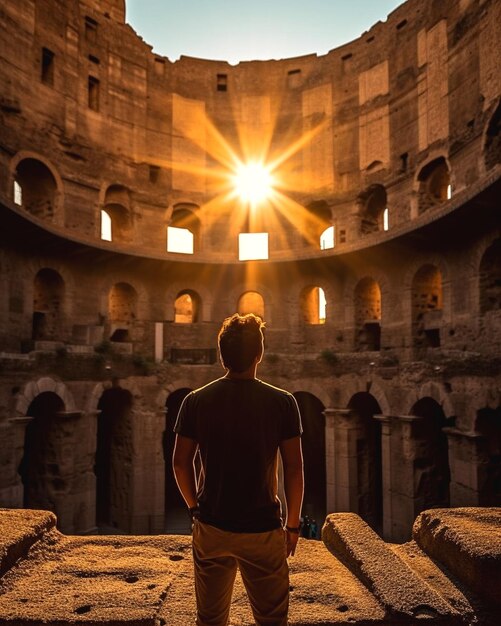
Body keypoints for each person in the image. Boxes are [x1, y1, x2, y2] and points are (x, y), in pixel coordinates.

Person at [173, 313, 304, 626]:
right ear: (259, 354)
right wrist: (294, 525)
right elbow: (295, 469)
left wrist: (194, 508)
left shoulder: (195, 401)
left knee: (210, 619)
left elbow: (180, 463)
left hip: (212, 527)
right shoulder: (283, 402)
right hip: (262, 528)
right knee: (272, 619)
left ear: (221, 356)